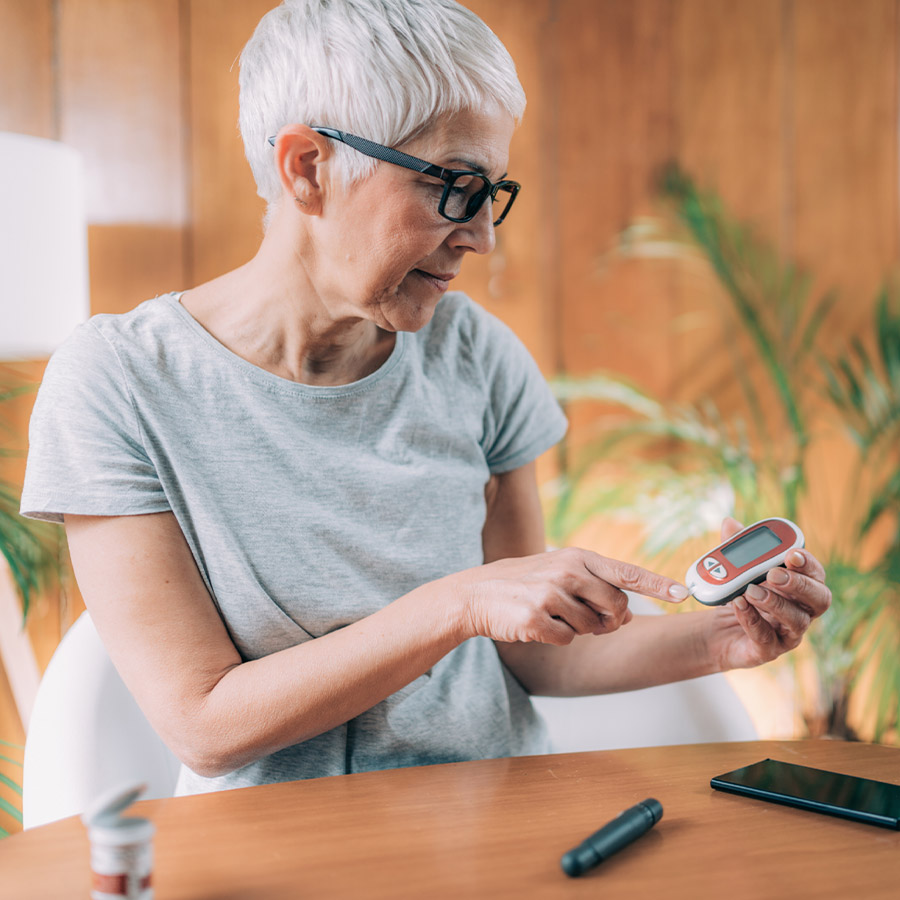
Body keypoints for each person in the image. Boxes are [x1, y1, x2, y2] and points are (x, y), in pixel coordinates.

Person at [21, 0, 830, 796]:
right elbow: (204, 726)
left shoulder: (473, 354)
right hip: (274, 848)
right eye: (456, 187)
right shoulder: (119, 382)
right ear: (308, 168)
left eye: (493, 193)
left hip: (502, 822)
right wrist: (460, 602)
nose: (482, 236)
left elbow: (533, 655)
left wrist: (721, 640)